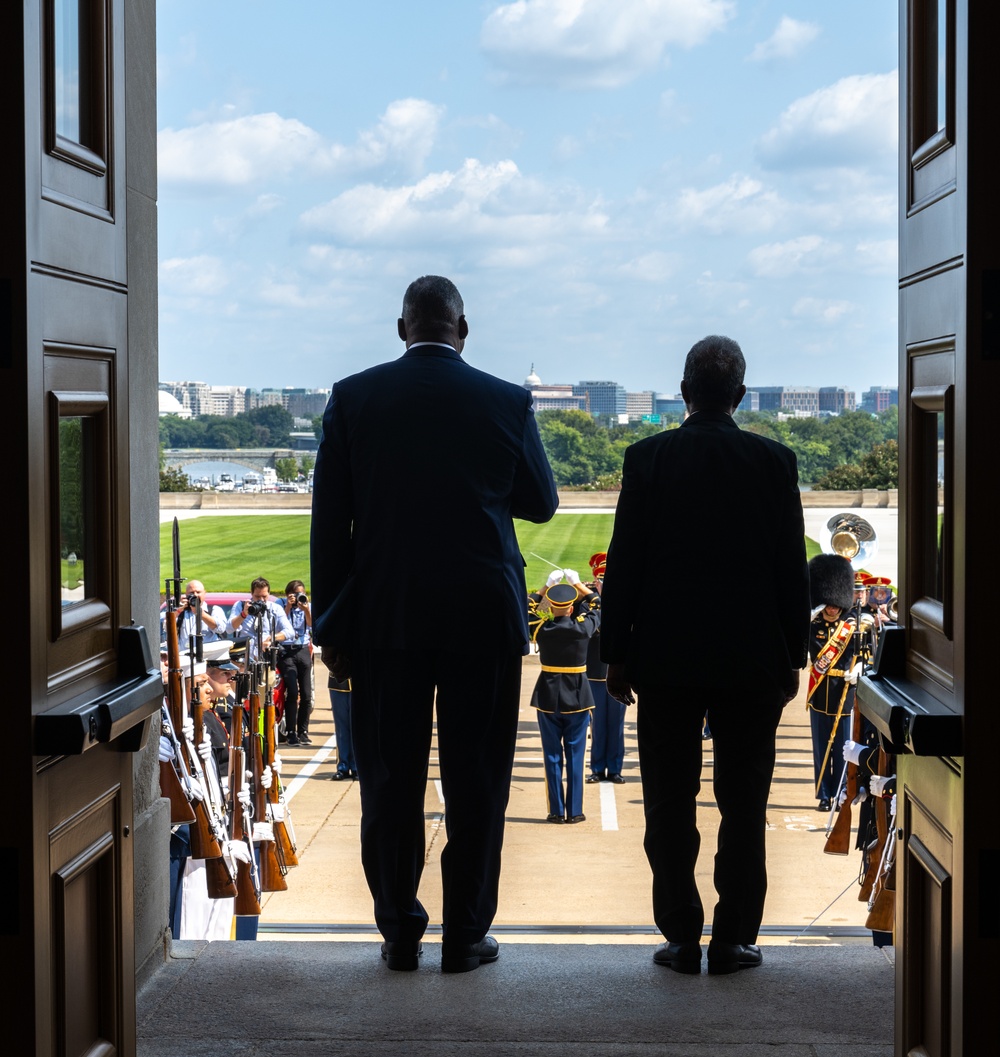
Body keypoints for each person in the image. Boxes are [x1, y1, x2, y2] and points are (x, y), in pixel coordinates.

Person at [310, 275, 558, 973]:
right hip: (481, 616)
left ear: (401, 328)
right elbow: (540, 503)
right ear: (464, 328)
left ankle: (400, 930)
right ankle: (464, 933)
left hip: (385, 618)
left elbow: (330, 525)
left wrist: (333, 625)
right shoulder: (507, 400)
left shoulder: (354, 397)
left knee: (390, 782)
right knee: (477, 780)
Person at [600, 335, 810, 976]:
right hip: (750, 661)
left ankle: (682, 936)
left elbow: (626, 565)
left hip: (666, 659)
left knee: (669, 803)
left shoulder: (648, 458)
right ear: (740, 396)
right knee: (743, 806)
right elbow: (788, 572)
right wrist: (793, 657)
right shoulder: (774, 462)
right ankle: (734, 938)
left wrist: (616, 655)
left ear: (684, 392)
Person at [528, 573, 599, 823]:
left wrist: (547, 585)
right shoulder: (583, 628)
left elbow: (527, 608)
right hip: (578, 698)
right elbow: (597, 604)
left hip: (547, 698)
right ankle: (575, 811)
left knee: (551, 756)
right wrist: (579, 585)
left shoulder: (541, 628)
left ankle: (556, 811)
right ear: (571, 606)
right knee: (576, 756)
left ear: (552, 606)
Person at [806, 554, 861, 813]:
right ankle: (824, 794)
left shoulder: (850, 628)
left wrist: (858, 669)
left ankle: (840, 791)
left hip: (844, 692)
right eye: (829, 604)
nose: (832, 609)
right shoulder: (813, 626)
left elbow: (862, 655)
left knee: (842, 747)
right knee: (821, 746)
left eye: (836, 604)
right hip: (820, 692)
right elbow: (814, 656)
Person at [582, 552, 628, 784]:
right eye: (600, 580)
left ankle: (615, 768)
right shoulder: (585, 606)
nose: (603, 584)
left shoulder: (622, 603)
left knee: (616, 726)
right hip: (594, 675)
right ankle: (597, 768)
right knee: (598, 725)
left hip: (617, 674)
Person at [279, 579, 314, 745]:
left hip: (303, 650)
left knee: (307, 694)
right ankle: (291, 731)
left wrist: (305, 609)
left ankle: (303, 731)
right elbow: (280, 625)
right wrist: (288, 606)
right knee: (292, 692)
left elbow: (311, 625)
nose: (298, 598)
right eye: (294, 595)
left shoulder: (307, 605)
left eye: (301, 594)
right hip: (286, 651)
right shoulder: (280, 605)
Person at [228, 577, 293, 662]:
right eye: (257, 597)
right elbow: (229, 629)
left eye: (264, 596)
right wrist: (243, 614)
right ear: (251, 593)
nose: (261, 600)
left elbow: (290, 631)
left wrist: (271, 638)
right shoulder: (240, 606)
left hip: (266, 660)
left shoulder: (275, 609)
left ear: (269, 593)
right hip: (243, 660)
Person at [176, 580, 230, 660]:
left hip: (209, 661)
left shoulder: (214, 610)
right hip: (185, 660)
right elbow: (166, 628)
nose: (195, 595)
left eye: (198, 592)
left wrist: (201, 614)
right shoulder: (181, 612)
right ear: (186, 595)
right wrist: (177, 611)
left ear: (204, 593)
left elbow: (221, 629)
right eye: (191, 593)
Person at [328, 670, 357, 781]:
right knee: (341, 728)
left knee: (356, 727)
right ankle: (343, 766)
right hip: (338, 682)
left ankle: (356, 766)